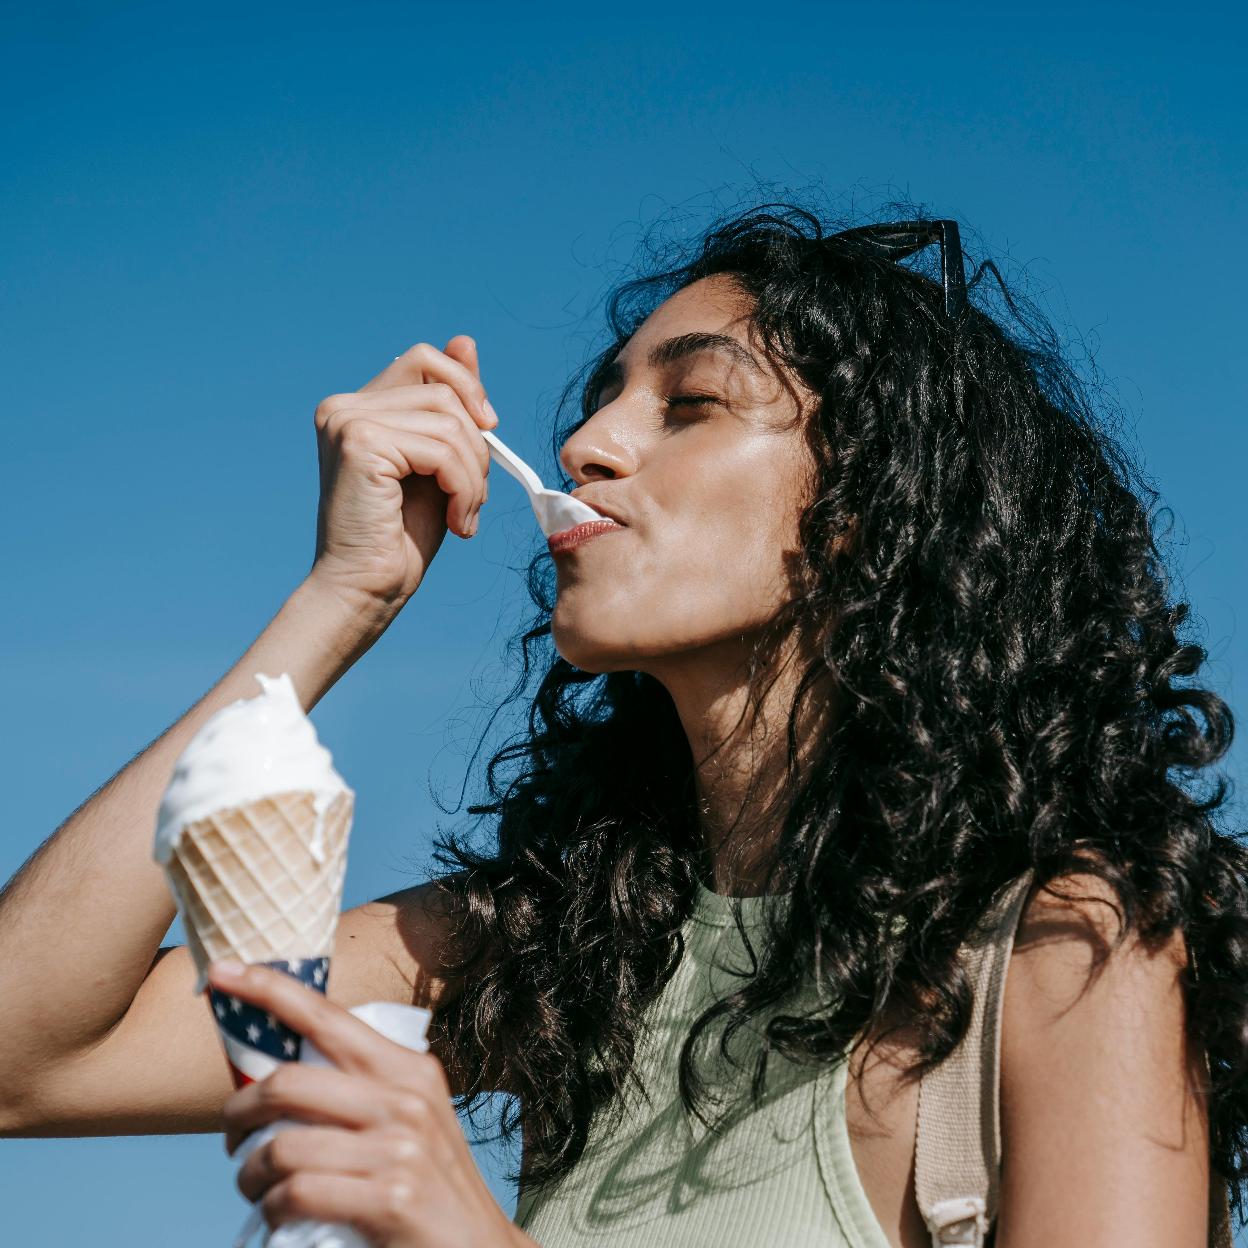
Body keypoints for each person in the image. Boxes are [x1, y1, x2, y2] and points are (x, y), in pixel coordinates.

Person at [0, 200, 1242, 1248]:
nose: (585, 443)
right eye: (602, 402)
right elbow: (27, 1059)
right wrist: (342, 597)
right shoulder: (564, 945)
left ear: (869, 510)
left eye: (692, 402)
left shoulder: (1072, 946)